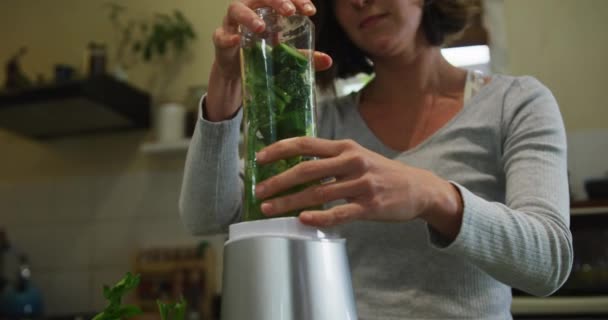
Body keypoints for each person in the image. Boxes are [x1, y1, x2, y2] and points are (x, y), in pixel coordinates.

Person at [179, 0, 573, 318]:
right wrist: (227, 80)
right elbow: (208, 215)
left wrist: (432, 195)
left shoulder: (516, 103)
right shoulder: (324, 121)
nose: (360, 2)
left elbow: (548, 262)